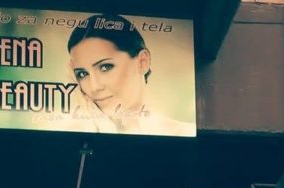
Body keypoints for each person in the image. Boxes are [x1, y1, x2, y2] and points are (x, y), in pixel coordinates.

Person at [66, 14, 195, 136]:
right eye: (82, 74)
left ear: (142, 62)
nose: (94, 87)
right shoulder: (71, 130)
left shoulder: (184, 133)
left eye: (105, 67)